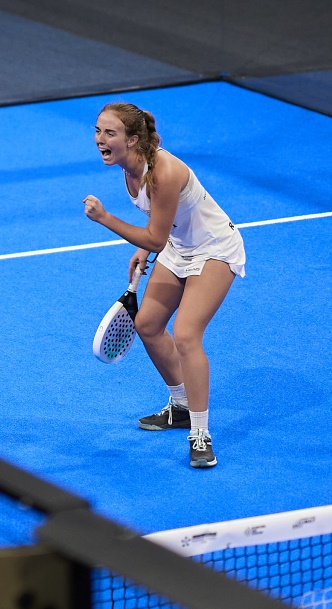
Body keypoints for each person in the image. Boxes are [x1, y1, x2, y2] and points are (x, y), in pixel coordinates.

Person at [83, 102, 245, 469]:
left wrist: (106, 219)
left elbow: (157, 238)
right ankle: (181, 406)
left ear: (133, 139)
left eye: (110, 133)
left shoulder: (164, 171)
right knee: (148, 325)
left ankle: (201, 433)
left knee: (186, 335)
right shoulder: (128, 168)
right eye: (97, 131)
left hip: (214, 250)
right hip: (179, 245)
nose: (100, 140)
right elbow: (161, 224)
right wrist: (145, 243)